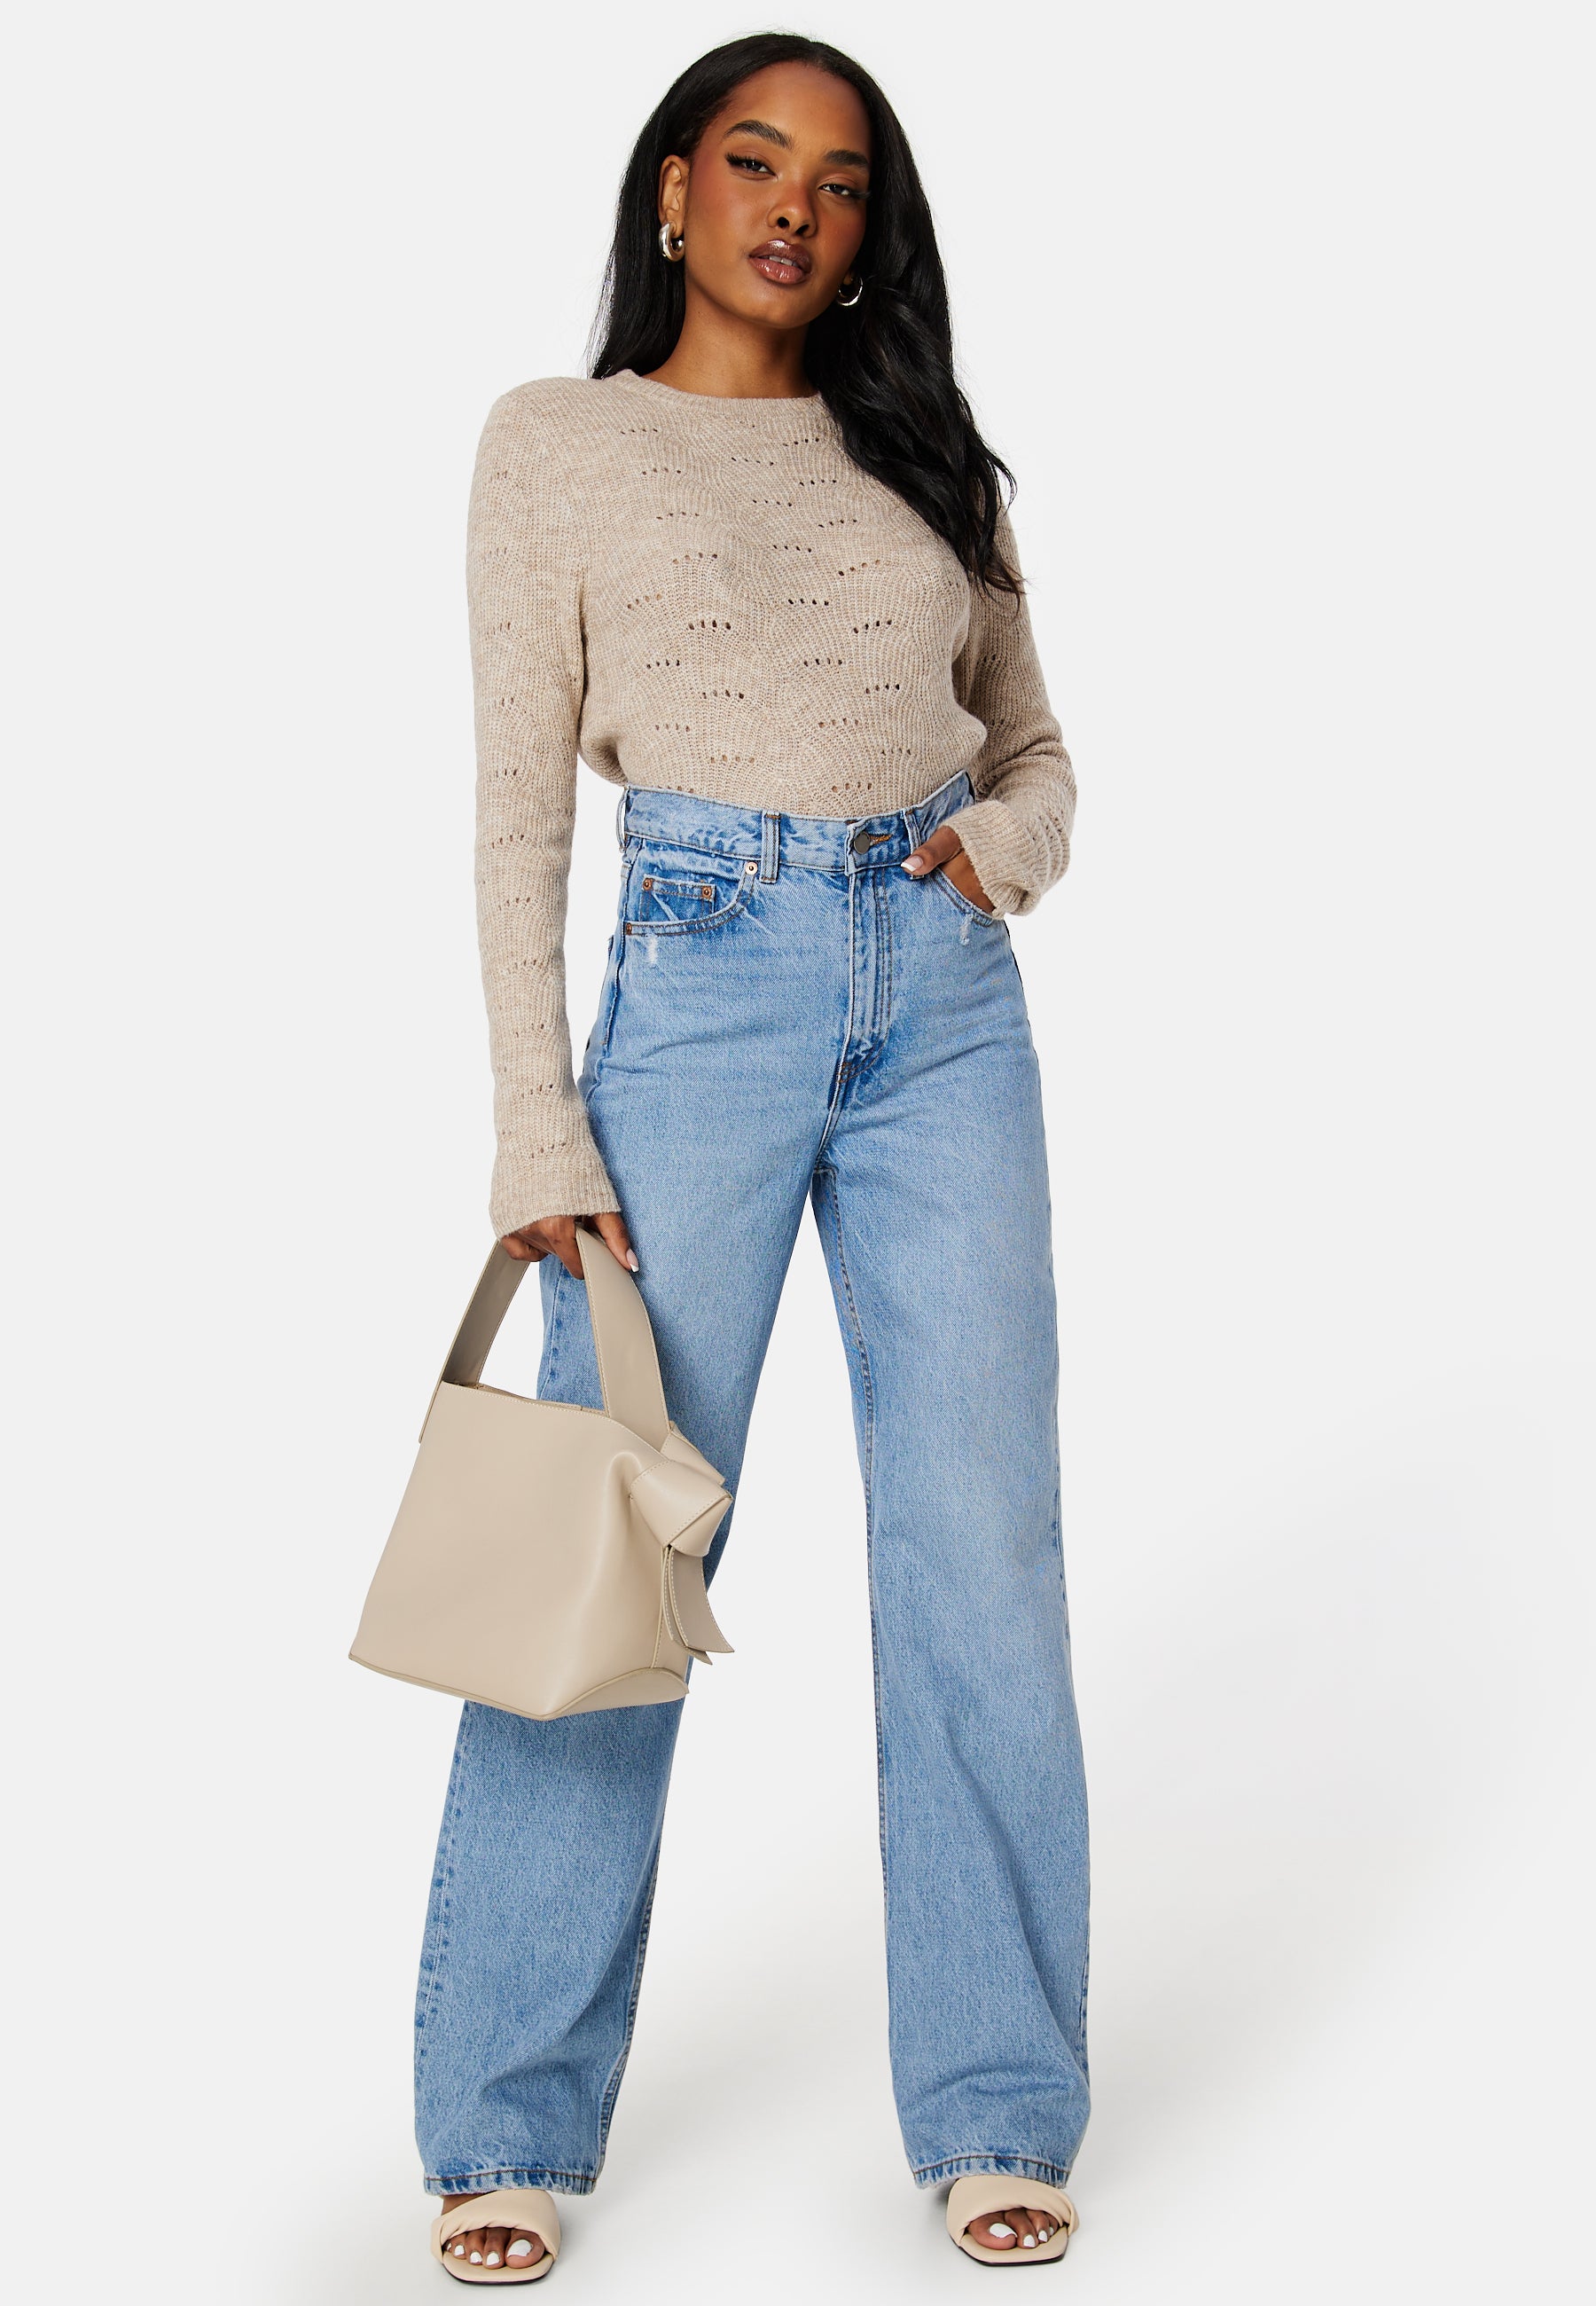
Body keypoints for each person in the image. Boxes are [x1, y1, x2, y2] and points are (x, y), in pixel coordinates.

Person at [418, 33, 1089, 2282]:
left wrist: (995, 854)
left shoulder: (930, 455)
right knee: (607, 1555)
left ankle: (997, 2103)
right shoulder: (559, 442)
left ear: (870, 233)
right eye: (755, 159)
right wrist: (537, 1117)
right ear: (676, 190)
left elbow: (1038, 749)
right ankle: (504, 2122)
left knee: (980, 1551)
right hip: (696, 994)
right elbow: (516, 807)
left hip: (946, 1012)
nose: (797, 204)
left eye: (843, 179)